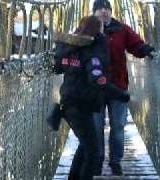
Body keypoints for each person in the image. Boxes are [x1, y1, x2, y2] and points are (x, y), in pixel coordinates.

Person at [51, 16, 130, 180]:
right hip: (80, 106)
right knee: (93, 152)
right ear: (96, 30)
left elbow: (57, 67)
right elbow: (97, 78)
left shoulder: (71, 46)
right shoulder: (92, 50)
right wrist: (120, 94)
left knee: (85, 146)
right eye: (100, 28)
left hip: (68, 104)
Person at [92, 0, 155, 175]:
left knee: (118, 125)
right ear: (94, 12)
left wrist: (144, 49)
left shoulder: (122, 29)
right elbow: (72, 47)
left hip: (118, 86)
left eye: (107, 9)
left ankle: (115, 161)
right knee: (95, 126)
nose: (103, 12)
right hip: (94, 88)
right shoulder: (86, 28)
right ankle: (97, 160)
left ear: (111, 12)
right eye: (99, 9)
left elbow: (135, 44)